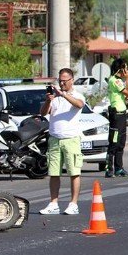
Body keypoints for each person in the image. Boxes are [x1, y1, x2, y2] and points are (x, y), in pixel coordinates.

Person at [38, 68, 86, 215]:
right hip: (54, 139)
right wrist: (48, 100)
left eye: (64, 81)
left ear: (71, 80)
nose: (62, 83)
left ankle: (73, 204)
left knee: (74, 172)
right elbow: (43, 112)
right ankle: (54, 203)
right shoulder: (55, 98)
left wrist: (63, 95)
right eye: (60, 81)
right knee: (53, 173)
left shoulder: (77, 95)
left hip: (71, 139)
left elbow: (79, 105)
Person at [105, 58, 128, 178]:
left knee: (121, 142)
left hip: (122, 114)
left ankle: (119, 168)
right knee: (114, 142)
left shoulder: (119, 81)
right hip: (116, 115)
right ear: (120, 69)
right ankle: (109, 169)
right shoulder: (114, 80)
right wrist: (127, 79)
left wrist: (126, 80)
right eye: (125, 68)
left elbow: (127, 97)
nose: (126, 70)